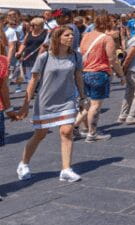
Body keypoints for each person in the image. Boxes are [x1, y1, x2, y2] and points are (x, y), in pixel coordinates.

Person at [11, 26, 86, 183]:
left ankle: (66, 169)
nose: (71, 37)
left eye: (72, 35)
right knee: (40, 134)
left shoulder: (77, 57)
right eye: (67, 35)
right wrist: (26, 103)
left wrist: (83, 96)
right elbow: (33, 80)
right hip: (46, 101)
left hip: (67, 100)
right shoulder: (44, 57)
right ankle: (23, 163)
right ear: (57, 38)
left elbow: (78, 76)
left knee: (66, 131)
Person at [76, 15, 125, 142]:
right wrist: (121, 74)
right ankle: (92, 134)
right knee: (95, 105)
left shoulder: (85, 36)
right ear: (107, 23)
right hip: (99, 73)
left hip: (84, 72)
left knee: (86, 104)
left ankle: (74, 128)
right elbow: (112, 60)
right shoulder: (107, 38)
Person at [16, 17, 48, 93]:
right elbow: (24, 43)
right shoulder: (29, 33)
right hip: (28, 56)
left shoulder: (46, 33)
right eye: (31, 25)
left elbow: (46, 44)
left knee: (39, 73)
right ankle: (31, 90)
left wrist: (40, 55)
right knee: (29, 75)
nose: (31, 27)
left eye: (33, 25)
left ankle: (36, 88)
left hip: (40, 56)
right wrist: (19, 52)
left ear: (40, 25)